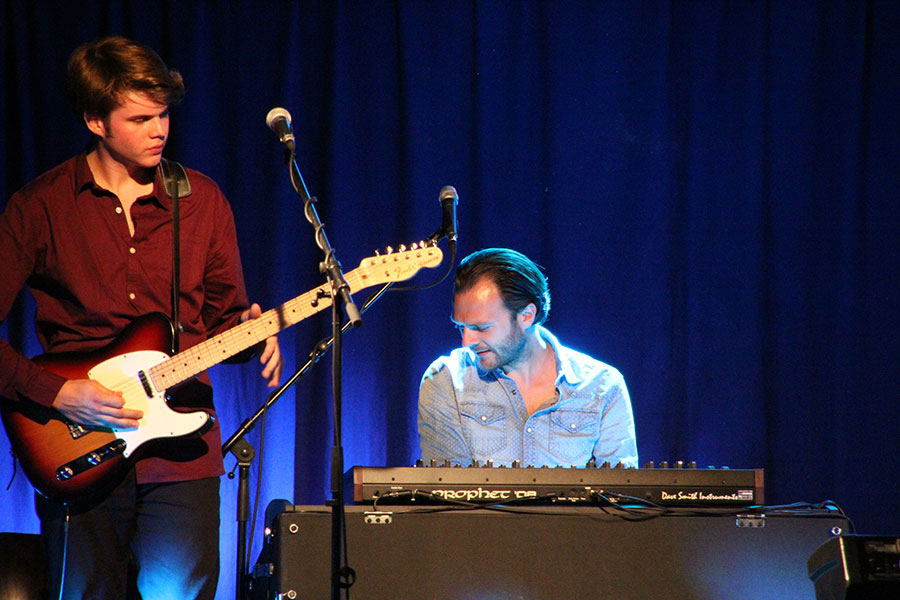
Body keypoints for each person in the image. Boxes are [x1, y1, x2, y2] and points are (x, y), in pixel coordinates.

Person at [0, 36, 282, 599]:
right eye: (141, 118)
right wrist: (58, 393)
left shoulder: (202, 200)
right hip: (77, 447)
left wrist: (252, 336)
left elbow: (223, 320)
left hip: (181, 455)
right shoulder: (40, 207)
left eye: (164, 115)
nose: (160, 130)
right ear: (95, 121)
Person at [418, 248, 637, 469]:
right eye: (461, 327)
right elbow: (449, 487)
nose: (467, 341)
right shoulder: (446, 380)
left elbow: (619, 489)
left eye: (482, 327)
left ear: (526, 316)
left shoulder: (603, 386)